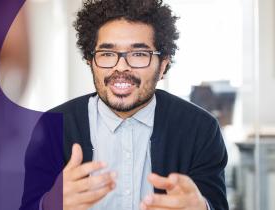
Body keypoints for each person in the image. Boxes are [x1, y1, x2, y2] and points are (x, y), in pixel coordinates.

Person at [20, 0, 228, 210]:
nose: (121, 67)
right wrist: (48, 205)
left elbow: (216, 205)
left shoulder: (201, 128)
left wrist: (202, 207)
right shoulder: (52, 127)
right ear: (90, 61)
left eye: (138, 54)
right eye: (107, 54)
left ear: (163, 64)